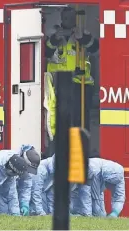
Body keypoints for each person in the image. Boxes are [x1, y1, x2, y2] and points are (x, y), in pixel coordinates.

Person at [44, 6, 99, 157]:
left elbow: (96, 49)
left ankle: (81, 153)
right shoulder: (54, 34)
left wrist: (83, 38)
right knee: (60, 120)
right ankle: (62, 152)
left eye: (72, 17)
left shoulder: (83, 33)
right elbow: (44, 53)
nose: (69, 21)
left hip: (81, 83)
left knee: (81, 121)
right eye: (66, 17)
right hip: (60, 84)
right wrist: (55, 39)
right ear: (62, 18)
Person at [16, 145, 41, 216]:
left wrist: (25, 204)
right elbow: (11, 191)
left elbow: (26, 188)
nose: (29, 171)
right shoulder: (13, 161)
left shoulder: (28, 172)